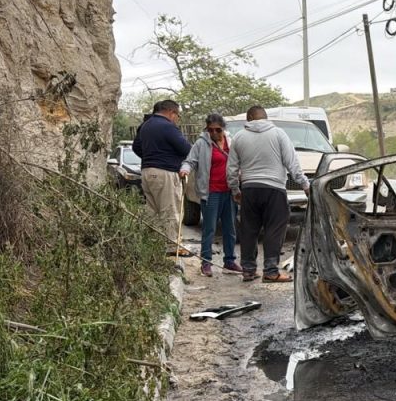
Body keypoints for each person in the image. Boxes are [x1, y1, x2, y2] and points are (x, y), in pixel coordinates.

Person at [226, 105, 309, 283]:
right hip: (274, 189)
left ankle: (248, 270)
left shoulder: (239, 137)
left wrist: (235, 190)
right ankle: (271, 271)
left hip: (249, 189)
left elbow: (231, 168)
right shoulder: (279, 134)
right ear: (265, 118)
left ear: (249, 118)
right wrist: (305, 184)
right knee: (274, 229)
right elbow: (292, 162)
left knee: (249, 229)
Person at [180, 114, 242, 277]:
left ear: (224, 128)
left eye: (218, 130)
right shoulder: (201, 143)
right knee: (209, 229)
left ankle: (229, 261)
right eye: (210, 130)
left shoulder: (231, 142)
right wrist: (185, 169)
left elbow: (240, 160)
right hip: (211, 192)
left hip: (230, 191)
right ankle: (206, 263)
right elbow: (190, 160)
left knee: (230, 228)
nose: (214, 133)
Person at [132, 99, 192, 256]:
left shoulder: (145, 126)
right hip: (165, 173)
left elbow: (136, 147)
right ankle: (173, 247)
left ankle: (154, 246)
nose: (176, 118)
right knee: (170, 211)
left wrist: (150, 157)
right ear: (171, 112)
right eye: (177, 115)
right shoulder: (168, 127)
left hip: (147, 172)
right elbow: (186, 149)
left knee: (153, 211)